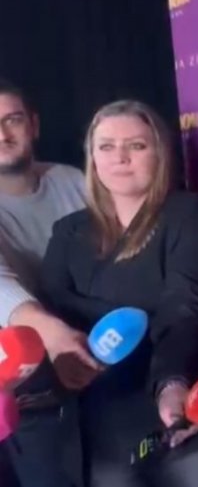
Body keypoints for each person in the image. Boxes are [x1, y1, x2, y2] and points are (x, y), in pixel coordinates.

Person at [40, 99, 198, 487]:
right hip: (106, 406)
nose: (120, 157)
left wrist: (172, 385)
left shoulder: (191, 214)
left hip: (188, 387)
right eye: (106, 146)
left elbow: (184, 307)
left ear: (161, 153)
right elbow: (57, 307)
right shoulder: (67, 231)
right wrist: (151, 311)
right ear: (92, 157)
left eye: (136, 145)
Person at [0, 78, 102, 487]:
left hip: (93, 356)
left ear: (34, 125)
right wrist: (51, 333)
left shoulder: (72, 180)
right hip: (25, 386)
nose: (2, 134)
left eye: (13, 120)